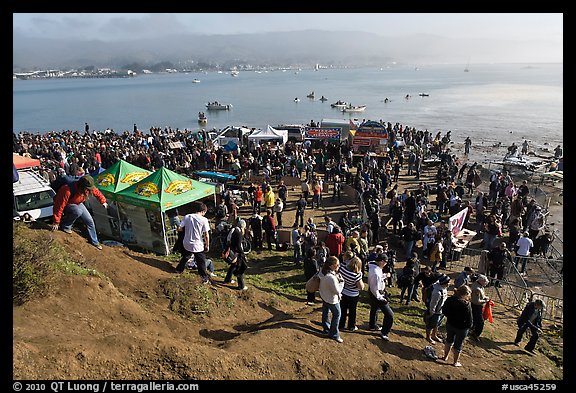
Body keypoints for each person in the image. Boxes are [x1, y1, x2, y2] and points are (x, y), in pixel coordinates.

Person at [50, 175, 108, 250]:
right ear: (82, 186)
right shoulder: (67, 190)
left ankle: (95, 242)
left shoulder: (87, 188)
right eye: (87, 189)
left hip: (78, 202)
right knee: (77, 211)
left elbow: (96, 192)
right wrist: (56, 221)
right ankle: (65, 226)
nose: (89, 191)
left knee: (90, 221)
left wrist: (103, 201)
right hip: (68, 204)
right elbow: (59, 206)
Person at [175, 202, 211, 283]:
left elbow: (179, 228)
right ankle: (204, 277)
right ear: (203, 211)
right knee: (201, 262)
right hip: (198, 244)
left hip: (187, 242)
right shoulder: (204, 220)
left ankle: (179, 269)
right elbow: (206, 234)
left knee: (186, 257)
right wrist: (207, 245)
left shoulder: (187, 216)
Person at [441, 285, 474, 367]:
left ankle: (445, 356)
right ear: (466, 294)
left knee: (449, 340)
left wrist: (450, 317)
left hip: (450, 324)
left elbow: (444, 310)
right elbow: (470, 319)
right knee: (458, 345)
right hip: (462, 328)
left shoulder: (450, 299)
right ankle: (455, 362)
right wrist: (469, 327)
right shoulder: (466, 305)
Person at [367, 254, 394, 341]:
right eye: (385, 262)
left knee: (374, 308)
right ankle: (384, 332)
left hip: (373, 293)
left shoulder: (374, 267)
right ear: (381, 261)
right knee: (390, 315)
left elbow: (377, 279)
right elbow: (375, 288)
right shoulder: (376, 273)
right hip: (377, 294)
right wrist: (381, 298)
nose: (386, 264)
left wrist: (385, 276)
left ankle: (372, 325)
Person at [318, 256, 345, 343]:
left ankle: (326, 328)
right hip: (332, 299)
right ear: (331, 266)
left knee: (325, 311)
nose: (339, 266)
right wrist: (341, 282)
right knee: (337, 314)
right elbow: (337, 290)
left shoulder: (322, 272)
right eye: (337, 265)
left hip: (324, 296)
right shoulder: (331, 277)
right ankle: (334, 334)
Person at [338, 256, 364, 332]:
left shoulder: (342, 269)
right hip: (353, 295)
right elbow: (361, 287)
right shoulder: (357, 275)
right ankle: (351, 326)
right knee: (352, 311)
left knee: (343, 310)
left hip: (343, 292)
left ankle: (341, 325)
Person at [223, 219, 249, 290]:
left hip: (231, 251)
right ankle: (241, 285)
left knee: (233, 266)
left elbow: (228, 240)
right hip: (236, 252)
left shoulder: (233, 230)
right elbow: (238, 245)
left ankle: (227, 279)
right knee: (240, 268)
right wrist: (243, 254)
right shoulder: (238, 233)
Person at [425, 273, 450, 344]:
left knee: (437, 324)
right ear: (444, 283)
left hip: (441, 311)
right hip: (435, 312)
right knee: (430, 325)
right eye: (448, 282)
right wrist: (431, 313)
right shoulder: (437, 292)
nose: (449, 284)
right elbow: (433, 303)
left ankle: (434, 335)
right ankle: (428, 337)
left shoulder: (443, 288)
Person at [470, 274, 490, 343]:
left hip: (478, 306)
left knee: (474, 319)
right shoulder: (477, 289)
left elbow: (482, 295)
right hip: (476, 306)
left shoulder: (480, 286)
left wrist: (485, 297)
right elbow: (476, 301)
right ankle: (476, 334)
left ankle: (472, 329)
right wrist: (485, 301)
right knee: (480, 322)